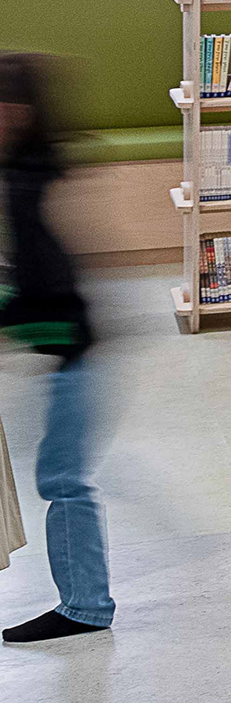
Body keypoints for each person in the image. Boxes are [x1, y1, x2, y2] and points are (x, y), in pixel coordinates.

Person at [1, 48, 107, 643]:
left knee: (64, 480)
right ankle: (86, 600)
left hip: (74, 348)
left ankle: (86, 607)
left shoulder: (29, 180)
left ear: (16, 111)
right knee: (65, 472)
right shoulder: (30, 168)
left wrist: (9, 314)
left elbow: (47, 282)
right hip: (68, 348)